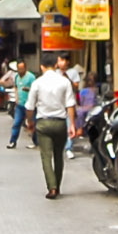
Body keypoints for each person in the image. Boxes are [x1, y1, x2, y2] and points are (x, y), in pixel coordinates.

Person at [28, 54, 78, 199]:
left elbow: (30, 106)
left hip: (43, 123)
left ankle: (52, 188)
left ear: (41, 66)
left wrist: (29, 121)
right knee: (58, 156)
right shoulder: (64, 82)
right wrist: (72, 125)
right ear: (56, 65)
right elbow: (70, 104)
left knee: (46, 156)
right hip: (60, 123)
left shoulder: (37, 83)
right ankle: (58, 185)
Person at [7, 60, 35, 148]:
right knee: (16, 123)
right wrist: (16, 97)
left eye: (22, 68)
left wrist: (28, 89)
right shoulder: (16, 77)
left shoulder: (31, 77)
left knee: (32, 123)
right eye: (19, 69)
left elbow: (35, 90)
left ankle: (35, 141)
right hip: (20, 104)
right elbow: (15, 87)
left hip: (30, 105)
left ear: (25, 68)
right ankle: (13, 141)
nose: (20, 70)